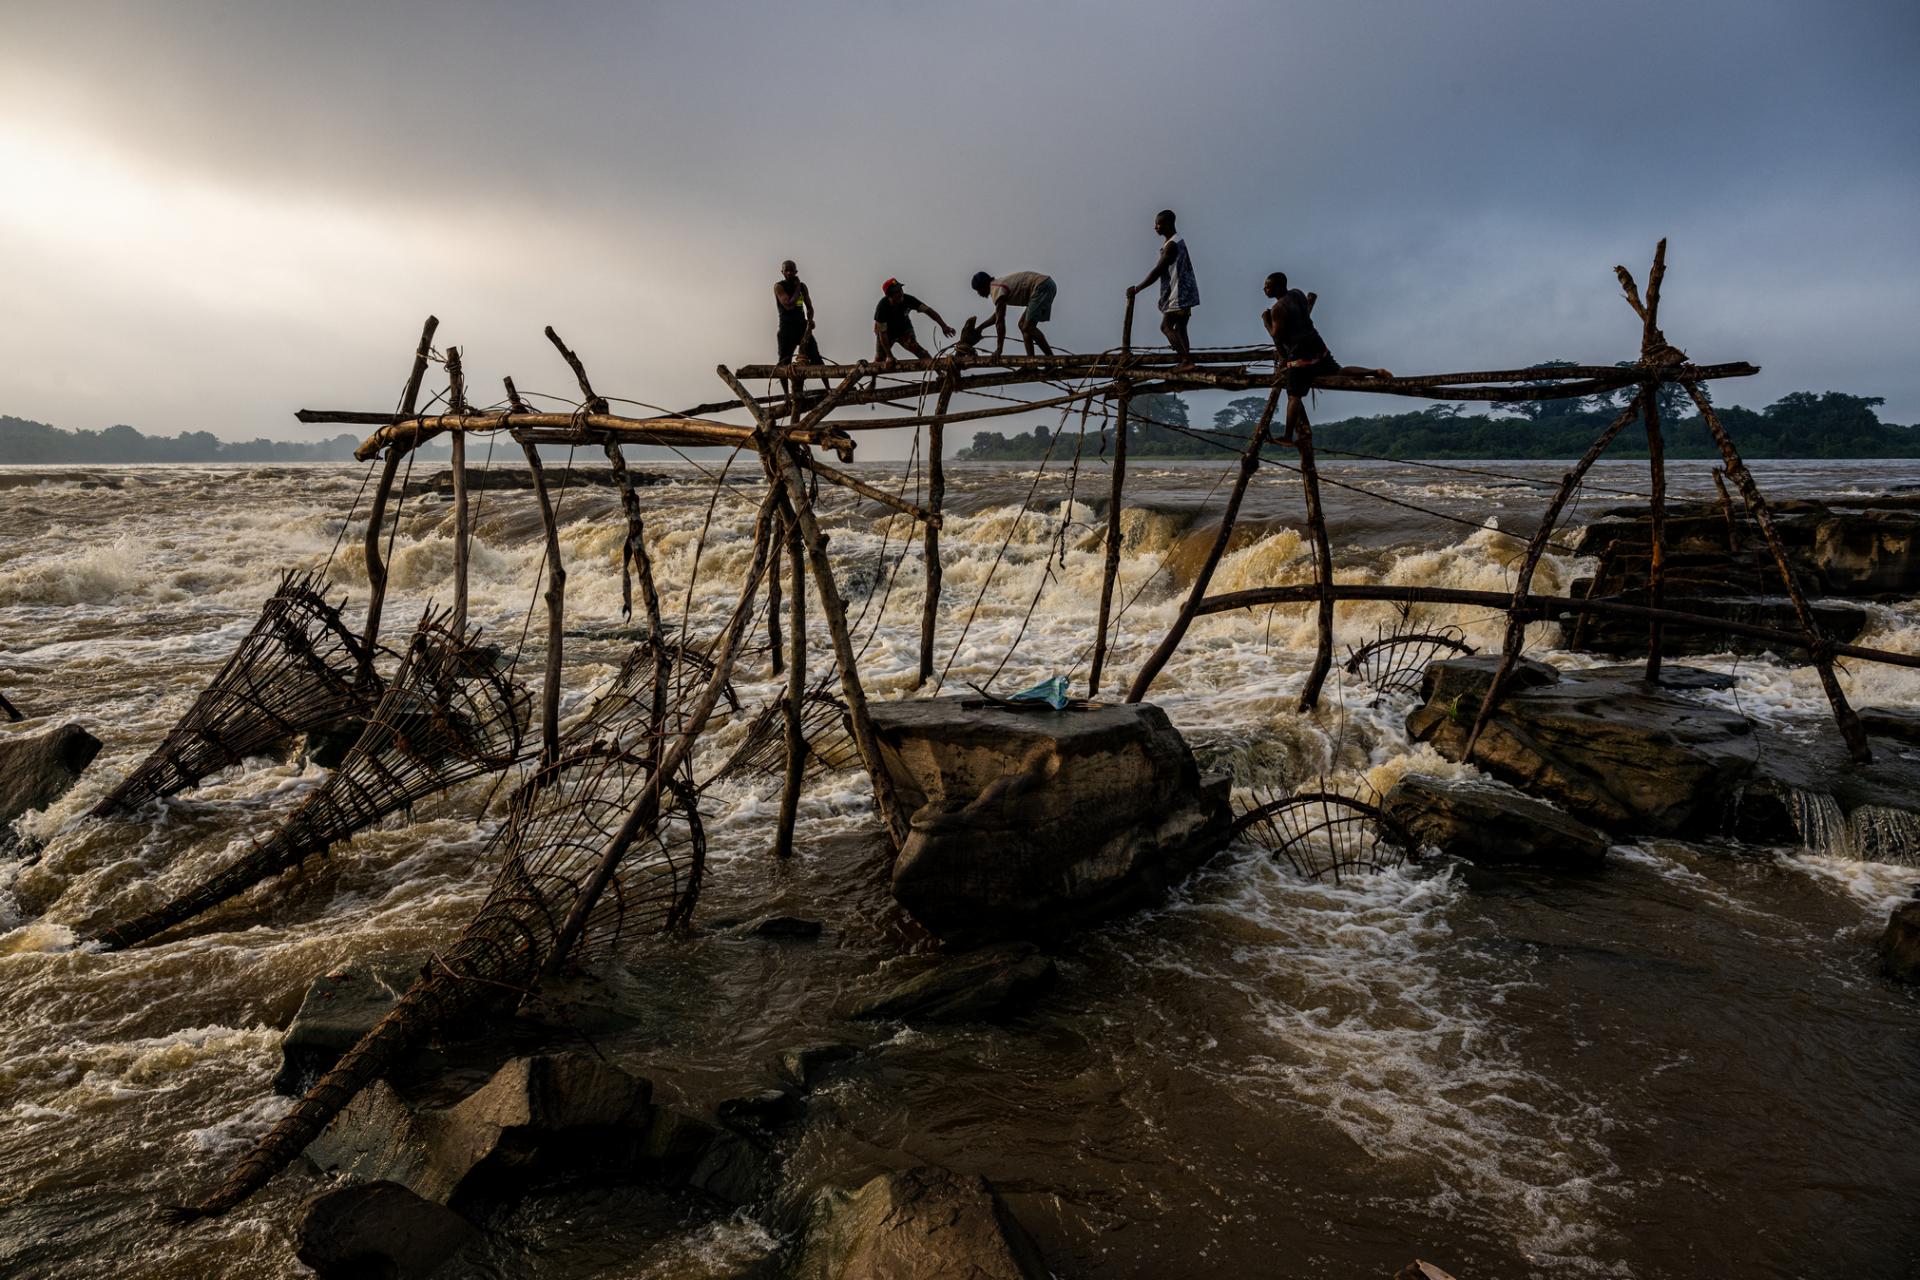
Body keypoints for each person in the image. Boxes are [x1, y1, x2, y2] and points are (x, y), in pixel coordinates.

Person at [1261, 272, 1389, 445]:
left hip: (1299, 356)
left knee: (1294, 396)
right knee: (1338, 371)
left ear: (1277, 287)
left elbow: (1277, 336)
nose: (1264, 289)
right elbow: (1304, 313)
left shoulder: (1277, 309)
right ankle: (1374, 371)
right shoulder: (1297, 293)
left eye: (1267, 286)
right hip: (1317, 346)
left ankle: (1288, 436)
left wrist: (1266, 321)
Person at [1127, 209, 1200, 366]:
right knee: (1180, 328)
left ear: (1168, 224)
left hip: (1178, 293)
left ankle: (1186, 361)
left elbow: (1157, 271)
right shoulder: (1177, 241)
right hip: (1187, 292)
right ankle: (1186, 360)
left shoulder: (1172, 246)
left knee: (1166, 326)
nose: (1156, 227)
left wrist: (1137, 288)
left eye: (1158, 224)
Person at [969, 270, 1056, 359]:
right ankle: (1031, 362)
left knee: (1028, 327)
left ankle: (1051, 359)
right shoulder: (997, 286)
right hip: (1044, 285)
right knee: (1023, 325)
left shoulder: (995, 289)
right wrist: (980, 328)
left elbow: (1000, 322)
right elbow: (997, 316)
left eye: (978, 290)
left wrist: (999, 349)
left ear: (983, 286)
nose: (979, 294)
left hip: (1041, 286)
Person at [774, 260, 828, 397]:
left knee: (816, 358)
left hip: (801, 327)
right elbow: (788, 304)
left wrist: (810, 321)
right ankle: (787, 396)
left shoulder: (803, 287)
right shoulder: (779, 286)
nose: (789, 273)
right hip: (786, 329)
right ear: (782, 272)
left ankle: (828, 389)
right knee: (783, 363)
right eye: (786, 270)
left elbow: (809, 307)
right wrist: (797, 287)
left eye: (792, 270)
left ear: (796, 272)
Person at [873, 278, 954, 365]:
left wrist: (944, 326)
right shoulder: (882, 308)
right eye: (896, 292)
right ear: (889, 295)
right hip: (887, 335)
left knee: (921, 352)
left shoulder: (908, 300)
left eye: (900, 289)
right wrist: (889, 356)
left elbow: (929, 311)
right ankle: (874, 375)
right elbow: (883, 334)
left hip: (904, 331)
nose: (901, 293)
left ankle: (940, 373)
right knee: (879, 361)